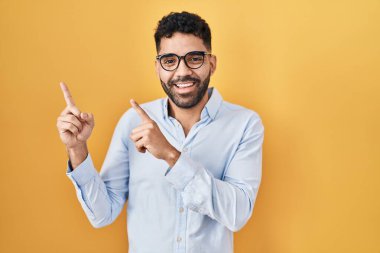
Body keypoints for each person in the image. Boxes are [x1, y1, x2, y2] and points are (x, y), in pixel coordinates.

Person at [56, 11, 264, 253]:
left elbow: (237, 214)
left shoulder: (244, 124)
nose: (182, 71)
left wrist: (171, 156)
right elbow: (102, 214)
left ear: (212, 63)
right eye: (169, 60)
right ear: (157, 67)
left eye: (194, 58)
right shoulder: (132, 121)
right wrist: (76, 148)